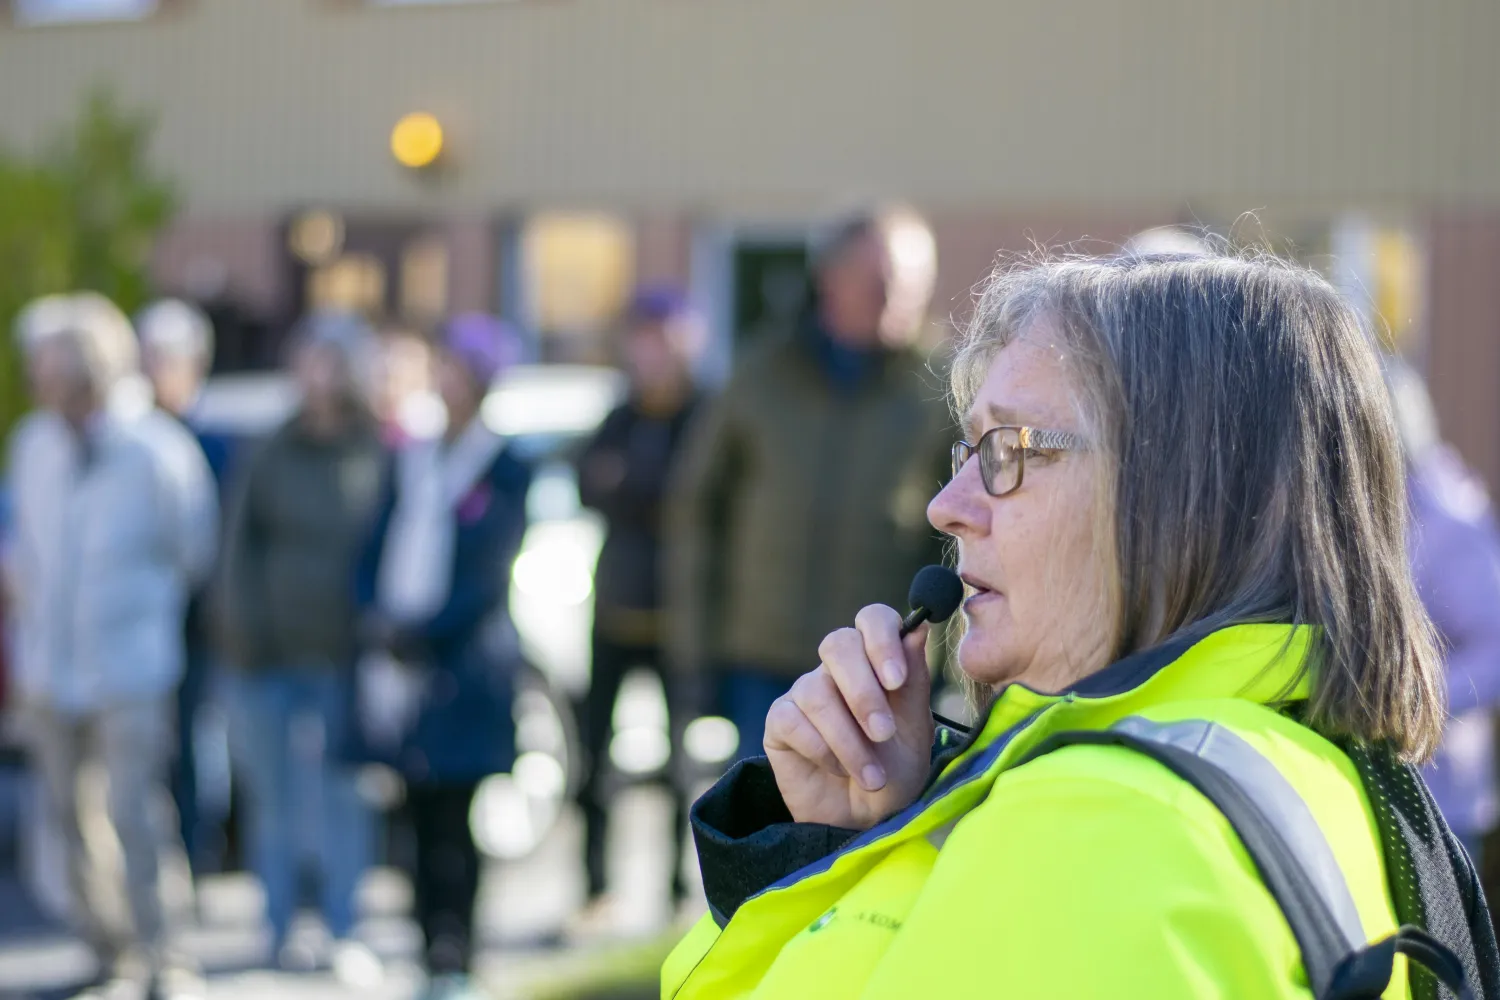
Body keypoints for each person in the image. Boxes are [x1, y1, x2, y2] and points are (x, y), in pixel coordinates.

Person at [665, 251, 1500, 998]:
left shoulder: (1100, 828)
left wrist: (834, 868)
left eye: (1007, 452)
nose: (947, 508)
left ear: (1177, 497)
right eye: (966, 454)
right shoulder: (1327, 775)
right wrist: (856, 839)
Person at [667, 206, 951, 761]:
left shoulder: (939, 387)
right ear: (830, 278)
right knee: (758, 834)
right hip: (761, 665)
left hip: (881, 670)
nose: (899, 302)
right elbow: (698, 512)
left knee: (865, 838)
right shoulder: (761, 374)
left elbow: (956, 539)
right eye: (883, 284)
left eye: (915, 287)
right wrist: (693, 657)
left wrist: (948, 663)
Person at [5, 294, 217, 999]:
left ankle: (167, 955)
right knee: (70, 819)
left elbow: (193, 549)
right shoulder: (34, 444)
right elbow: (25, 548)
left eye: (48, 364)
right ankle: (110, 952)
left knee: (135, 813)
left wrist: (137, 610)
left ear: (85, 369)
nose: (37, 376)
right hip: (50, 665)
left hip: (130, 666)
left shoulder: (155, 448)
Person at [354, 314, 530, 1000]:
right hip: (401, 662)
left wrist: (424, 633)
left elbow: (487, 573)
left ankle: (458, 947)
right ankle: (426, 942)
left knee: (457, 811)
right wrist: (375, 614)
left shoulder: (506, 466)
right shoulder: (412, 456)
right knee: (413, 811)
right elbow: (375, 541)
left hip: (463, 667)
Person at [214, 312, 386, 981]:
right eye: (309, 359)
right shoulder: (269, 449)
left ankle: (346, 926)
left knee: (345, 798)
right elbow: (238, 549)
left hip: (344, 657)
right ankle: (280, 925)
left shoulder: (376, 450)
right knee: (275, 800)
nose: (319, 376)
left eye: (332, 361)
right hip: (268, 656)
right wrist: (242, 633)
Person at [573, 286, 704, 928]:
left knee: (683, 763)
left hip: (678, 616)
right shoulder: (619, 415)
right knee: (593, 757)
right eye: (642, 338)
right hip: (614, 611)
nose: (651, 353)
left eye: (664, 337)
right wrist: (639, 490)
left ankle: (681, 888)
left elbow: (693, 497)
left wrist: (633, 487)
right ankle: (596, 887)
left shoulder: (704, 414)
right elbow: (586, 483)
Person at [1385, 360, 1500, 865]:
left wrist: (1415, 698)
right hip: (1381, 787)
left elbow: (1494, 650)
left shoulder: (1452, 521)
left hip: (1442, 797)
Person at [136, 299, 234, 882]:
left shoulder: (215, 441)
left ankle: (199, 859)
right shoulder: (128, 436)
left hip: (198, 625)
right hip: (143, 626)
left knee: (198, 745)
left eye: (162, 359)